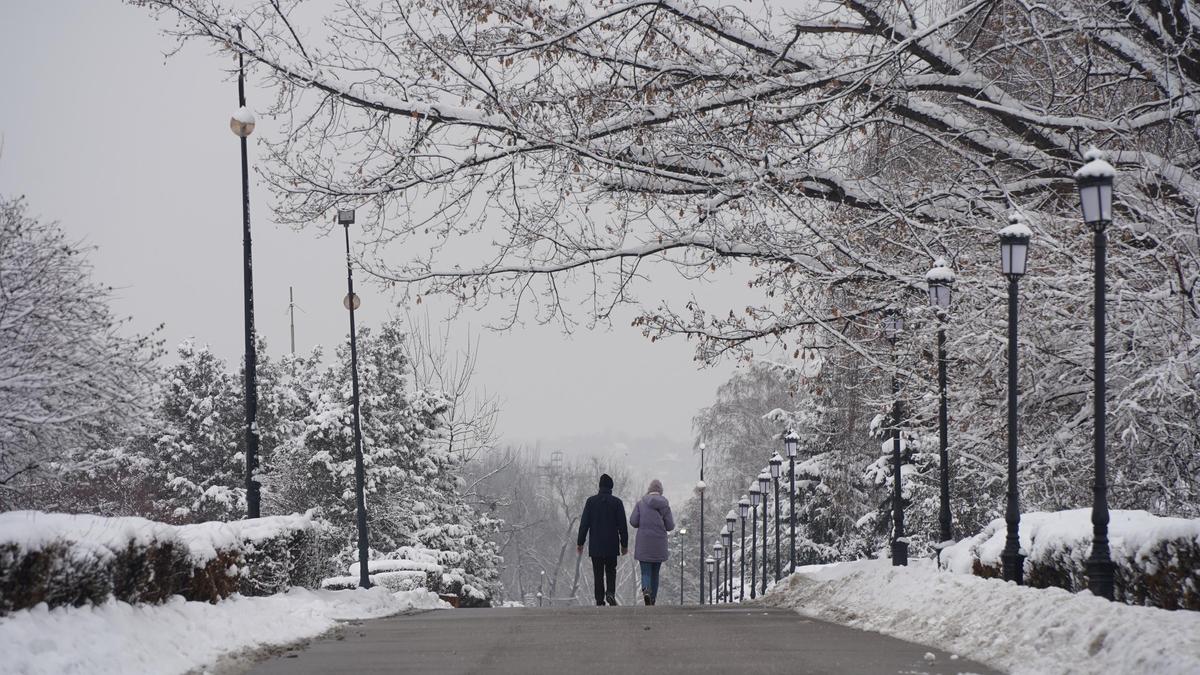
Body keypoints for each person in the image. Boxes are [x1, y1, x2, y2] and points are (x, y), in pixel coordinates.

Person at [576, 473, 629, 606]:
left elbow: (584, 524)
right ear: (611, 487)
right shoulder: (617, 503)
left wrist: (580, 542)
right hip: (612, 543)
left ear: (600, 486)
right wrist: (624, 544)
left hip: (596, 544)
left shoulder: (591, 502)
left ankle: (599, 599)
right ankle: (610, 593)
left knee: (598, 572)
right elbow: (622, 525)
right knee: (611, 570)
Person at [628, 478, 674, 606]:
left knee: (646, 571)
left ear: (649, 490)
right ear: (660, 491)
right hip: (659, 544)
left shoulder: (641, 503)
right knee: (655, 573)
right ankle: (652, 599)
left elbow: (633, 521)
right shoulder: (665, 505)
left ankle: (646, 590)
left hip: (644, 543)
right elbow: (670, 525)